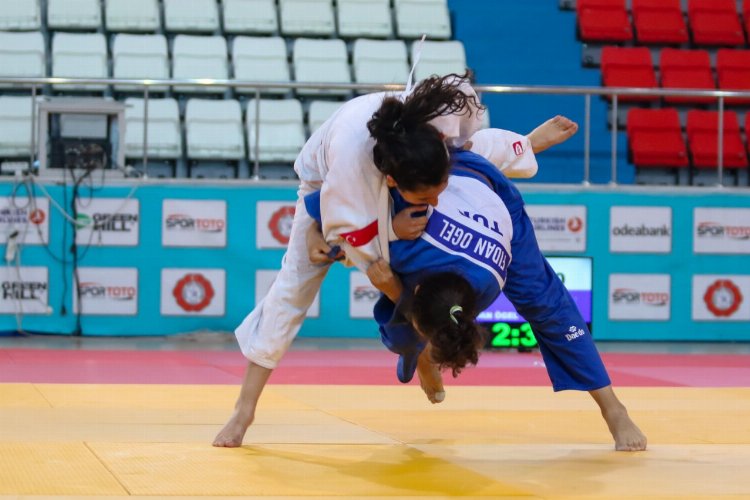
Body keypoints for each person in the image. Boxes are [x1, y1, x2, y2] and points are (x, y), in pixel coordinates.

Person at [213, 73, 578, 448]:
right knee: (295, 287)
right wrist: (355, 229)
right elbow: (369, 264)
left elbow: (474, 150)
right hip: (324, 179)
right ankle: (244, 410)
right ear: (392, 182)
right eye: (425, 196)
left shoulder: (436, 130)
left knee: (464, 165)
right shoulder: (349, 177)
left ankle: (420, 347)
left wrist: (525, 144)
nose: (435, 203)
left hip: (397, 153)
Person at [304, 144, 647, 452]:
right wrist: (314, 231)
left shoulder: (489, 281)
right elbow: (325, 199)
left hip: (497, 205)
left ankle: (613, 408)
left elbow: (355, 247)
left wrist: (390, 287)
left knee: (548, 305)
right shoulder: (405, 236)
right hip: (456, 173)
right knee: (401, 333)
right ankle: (421, 357)